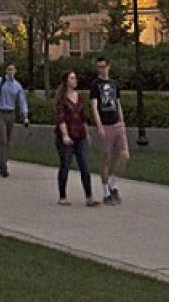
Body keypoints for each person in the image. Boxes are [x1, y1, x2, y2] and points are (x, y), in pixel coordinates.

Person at [52, 70, 98, 207]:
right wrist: (65, 135)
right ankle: (62, 196)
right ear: (66, 81)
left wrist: (87, 133)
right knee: (65, 165)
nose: (75, 80)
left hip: (80, 135)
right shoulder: (62, 99)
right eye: (72, 78)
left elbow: (83, 117)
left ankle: (89, 196)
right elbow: (61, 119)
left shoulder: (80, 97)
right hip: (67, 136)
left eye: (75, 78)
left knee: (85, 165)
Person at [87, 56, 129, 205]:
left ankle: (113, 183)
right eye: (99, 67)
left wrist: (122, 122)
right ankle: (106, 192)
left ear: (109, 67)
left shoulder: (114, 84)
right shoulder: (95, 85)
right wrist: (99, 126)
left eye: (103, 66)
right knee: (106, 159)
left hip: (117, 124)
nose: (101, 69)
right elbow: (94, 106)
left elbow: (118, 103)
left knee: (124, 155)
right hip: (105, 125)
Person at [0, 61, 30, 177]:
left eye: (12, 69)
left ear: (15, 71)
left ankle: (4, 160)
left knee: (8, 140)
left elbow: (22, 101)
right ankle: (3, 166)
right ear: (5, 71)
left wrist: (25, 116)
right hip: (0, 112)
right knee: (2, 139)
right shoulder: (0, 81)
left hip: (11, 113)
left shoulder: (17, 85)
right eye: (9, 69)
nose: (11, 72)